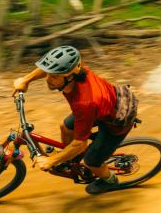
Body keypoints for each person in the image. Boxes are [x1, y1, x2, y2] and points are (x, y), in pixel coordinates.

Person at [11, 45, 136, 195]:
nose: (48, 79)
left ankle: (110, 181)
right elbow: (47, 69)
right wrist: (26, 80)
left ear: (70, 76)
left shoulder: (85, 102)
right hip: (103, 106)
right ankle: (71, 159)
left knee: (91, 162)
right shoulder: (72, 69)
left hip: (114, 122)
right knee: (65, 127)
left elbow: (80, 143)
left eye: (54, 76)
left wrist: (52, 160)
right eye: (49, 74)